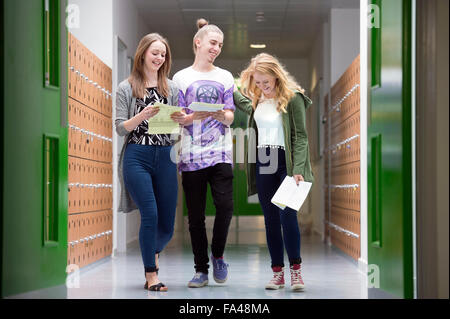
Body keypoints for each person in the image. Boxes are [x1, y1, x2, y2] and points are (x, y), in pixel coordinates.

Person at [233, 53, 314, 291]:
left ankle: (296, 272)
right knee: (269, 220)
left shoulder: (293, 98)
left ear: (276, 76)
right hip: (263, 162)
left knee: (287, 216)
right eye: (257, 83)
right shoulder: (257, 101)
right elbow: (243, 102)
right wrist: (228, 83)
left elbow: (300, 136)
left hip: (285, 164)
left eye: (265, 82)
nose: (262, 87)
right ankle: (277, 273)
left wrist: (298, 168)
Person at [170, 18, 235, 288]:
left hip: (220, 151)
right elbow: (177, 116)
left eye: (220, 45)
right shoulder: (181, 78)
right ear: (198, 43)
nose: (216, 48)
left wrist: (224, 115)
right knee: (195, 216)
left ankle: (218, 254)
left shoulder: (226, 77)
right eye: (212, 43)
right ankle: (201, 270)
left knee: (225, 207)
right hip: (191, 153)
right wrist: (184, 120)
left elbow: (231, 115)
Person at [115, 33, 179, 291]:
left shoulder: (171, 88)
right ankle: (151, 274)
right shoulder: (126, 87)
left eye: (163, 54)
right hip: (137, 156)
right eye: (155, 53)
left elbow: (173, 128)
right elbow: (120, 128)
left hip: (165, 156)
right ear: (142, 53)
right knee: (150, 214)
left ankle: (150, 254)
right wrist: (141, 115)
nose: (159, 58)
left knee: (167, 224)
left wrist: (180, 121)